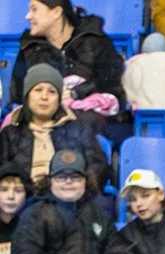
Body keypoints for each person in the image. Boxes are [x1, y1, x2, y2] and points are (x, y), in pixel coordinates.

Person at [9, 148, 140, 254]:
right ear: (50, 181)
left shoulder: (100, 215)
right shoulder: (33, 216)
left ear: (86, 181)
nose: (68, 182)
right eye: (61, 177)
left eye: (75, 177)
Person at [0, 62, 109, 192]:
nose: (44, 97)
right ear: (27, 97)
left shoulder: (79, 129)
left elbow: (97, 166)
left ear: (59, 99)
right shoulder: (11, 134)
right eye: (38, 90)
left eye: (52, 91)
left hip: (69, 198)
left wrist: (78, 190)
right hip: (23, 200)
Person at [10, 0, 126, 120]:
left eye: (34, 9)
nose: (28, 16)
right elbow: (17, 94)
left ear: (56, 12)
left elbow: (111, 84)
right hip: (43, 125)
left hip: (94, 124)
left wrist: (75, 93)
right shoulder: (29, 48)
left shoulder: (95, 40)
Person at [0, 165, 32, 254]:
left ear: (27, 194)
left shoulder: (34, 225)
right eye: (4, 190)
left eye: (18, 190)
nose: (11, 196)